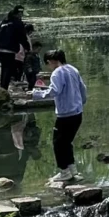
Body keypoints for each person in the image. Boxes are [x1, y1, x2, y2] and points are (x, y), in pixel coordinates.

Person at [32, 49, 87, 187]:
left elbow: (54, 91)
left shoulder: (57, 72)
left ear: (51, 61)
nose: (48, 66)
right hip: (77, 113)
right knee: (67, 142)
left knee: (58, 143)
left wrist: (37, 94)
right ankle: (73, 170)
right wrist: (81, 102)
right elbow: (83, 88)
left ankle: (64, 172)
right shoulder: (73, 69)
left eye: (48, 63)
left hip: (65, 114)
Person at [0, 6, 30, 90]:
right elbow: (22, 37)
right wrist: (27, 47)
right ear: (19, 13)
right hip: (9, 49)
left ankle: (2, 88)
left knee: (4, 68)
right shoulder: (18, 23)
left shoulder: (4, 21)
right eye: (21, 14)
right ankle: (4, 89)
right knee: (8, 69)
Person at [23, 26, 42, 90]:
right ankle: (29, 89)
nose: (39, 51)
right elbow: (27, 63)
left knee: (33, 81)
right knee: (31, 81)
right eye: (38, 49)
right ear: (34, 48)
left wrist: (39, 68)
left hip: (34, 71)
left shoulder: (36, 56)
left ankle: (30, 88)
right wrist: (29, 69)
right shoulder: (29, 56)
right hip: (31, 71)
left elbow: (37, 63)